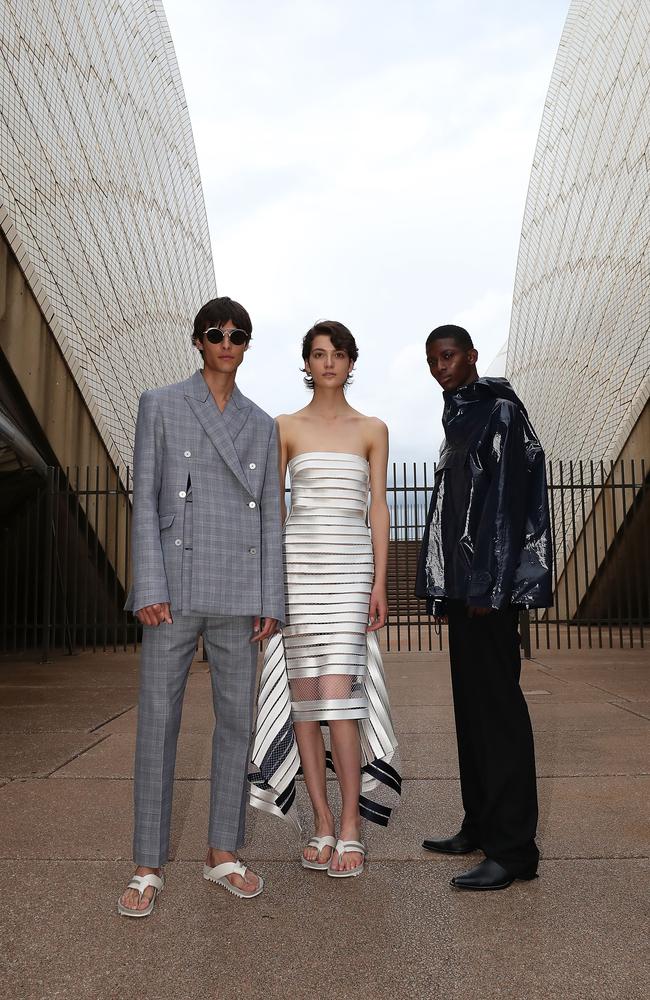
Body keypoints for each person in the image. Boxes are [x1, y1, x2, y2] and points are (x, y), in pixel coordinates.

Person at [118, 296, 284, 916]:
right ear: (198, 340)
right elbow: (148, 499)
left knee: (235, 726)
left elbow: (270, 513)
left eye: (238, 335)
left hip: (239, 590)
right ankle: (146, 865)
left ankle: (224, 852)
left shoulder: (263, 424)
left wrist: (272, 597)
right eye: (216, 333)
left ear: (246, 345)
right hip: (176, 588)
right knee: (158, 725)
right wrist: (150, 585)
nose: (226, 343)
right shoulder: (159, 404)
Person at [249, 320, 401, 877]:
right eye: (319, 354)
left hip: (351, 571)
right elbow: (274, 509)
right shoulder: (284, 426)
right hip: (298, 572)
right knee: (304, 704)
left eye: (338, 353)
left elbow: (378, 508)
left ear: (351, 361)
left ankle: (352, 826)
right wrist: (272, 584)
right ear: (306, 363)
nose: (329, 362)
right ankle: (320, 821)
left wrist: (380, 582)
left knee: (342, 700)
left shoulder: (373, 428)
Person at [415, 324, 552, 891]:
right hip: (466, 592)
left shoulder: (498, 411)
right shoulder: (457, 416)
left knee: (498, 714)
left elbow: (505, 507)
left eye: (448, 356)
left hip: (486, 596)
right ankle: (479, 823)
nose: (439, 367)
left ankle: (514, 850)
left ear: (470, 356)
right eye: (431, 360)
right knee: (471, 711)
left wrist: (487, 587)